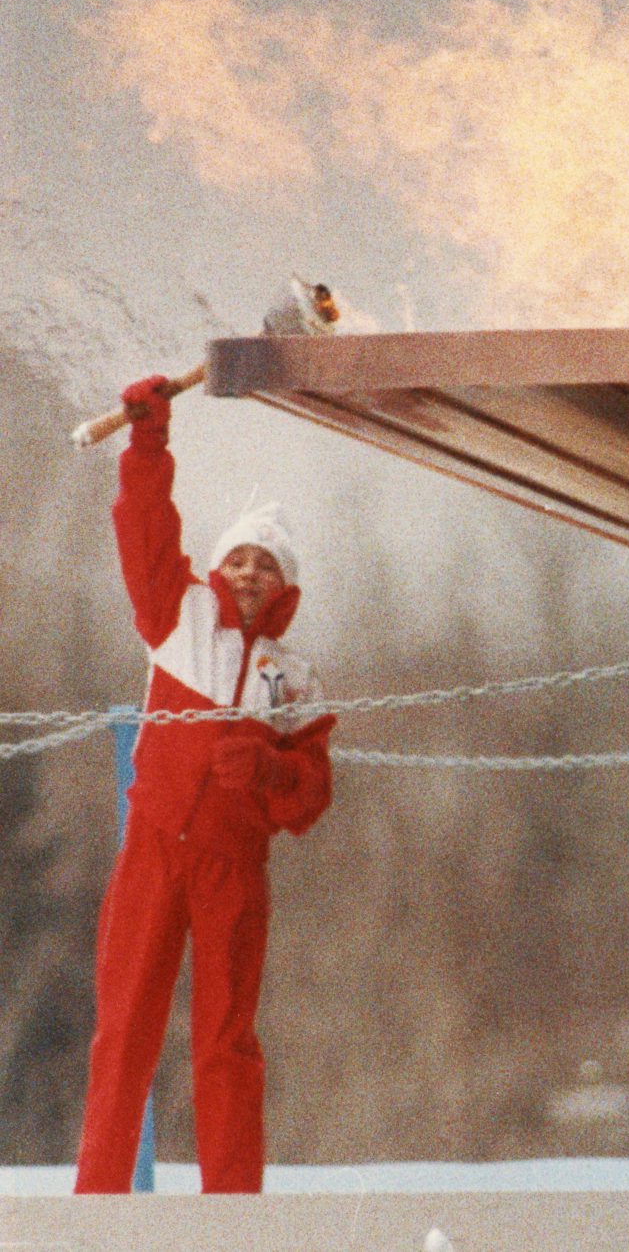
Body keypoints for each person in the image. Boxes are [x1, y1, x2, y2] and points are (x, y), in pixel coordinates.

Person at [74, 374, 336, 1194]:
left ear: (286, 587)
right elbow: (146, 530)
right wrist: (147, 441)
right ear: (219, 566)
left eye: (267, 565)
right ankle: (96, 1200)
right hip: (153, 848)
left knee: (225, 1039)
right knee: (124, 1028)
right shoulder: (178, 614)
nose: (250, 573)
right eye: (239, 558)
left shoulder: (293, 678)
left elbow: (309, 796)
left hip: (233, 868)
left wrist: (269, 767)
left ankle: (232, 1212)